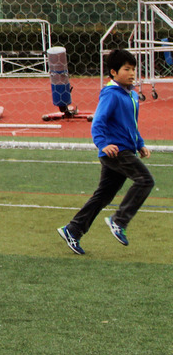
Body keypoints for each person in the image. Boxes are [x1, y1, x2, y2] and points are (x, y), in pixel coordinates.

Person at [58, 48, 154, 254]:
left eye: (133, 69)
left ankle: (73, 230)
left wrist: (140, 144)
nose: (132, 73)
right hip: (116, 152)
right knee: (145, 180)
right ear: (113, 72)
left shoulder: (132, 94)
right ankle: (119, 220)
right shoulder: (111, 94)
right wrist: (102, 144)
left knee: (104, 195)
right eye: (126, 69)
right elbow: (98, 122)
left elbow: (131, 124)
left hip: (125, 150)